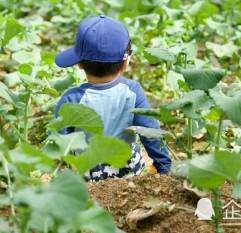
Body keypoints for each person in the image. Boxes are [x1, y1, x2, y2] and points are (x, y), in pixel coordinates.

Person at [54, 15, 172, 181]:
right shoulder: (133, 91)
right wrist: (165, 168)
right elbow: (150, 133)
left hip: (87, 175)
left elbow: (60, 143)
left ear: (79, 63)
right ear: (125, 63)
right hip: (128, 173)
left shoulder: (71, 98)